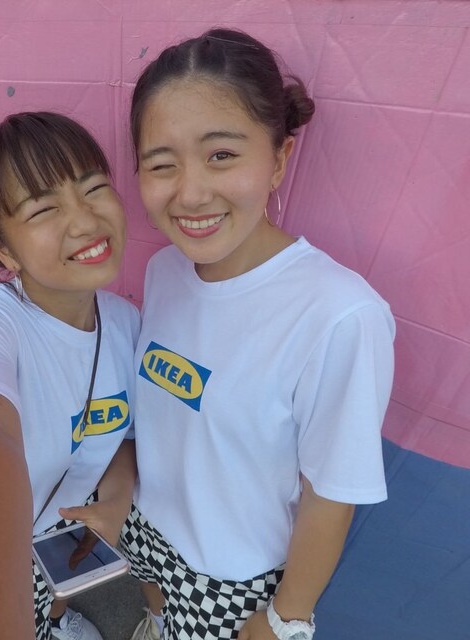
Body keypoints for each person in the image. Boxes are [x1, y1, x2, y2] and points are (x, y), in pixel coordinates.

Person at [120, 28, 395, 640]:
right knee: (159, 622)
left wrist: (283, 619)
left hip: (230, 577)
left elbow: (332, 494)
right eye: (161, 164)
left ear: (279, 159)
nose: (191, 193)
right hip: (149, 531)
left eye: (221, 155)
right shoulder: (165, 270)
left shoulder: (339, 315)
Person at [0, 112, 139, 640]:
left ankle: (56, 621)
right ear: (3, 249)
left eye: (94, 188)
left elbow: (124, 434)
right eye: (44, 209)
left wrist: (117, 495)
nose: (85, 221)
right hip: (7, 538)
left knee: (55, 589)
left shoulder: (128, 324)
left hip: (67, 524)